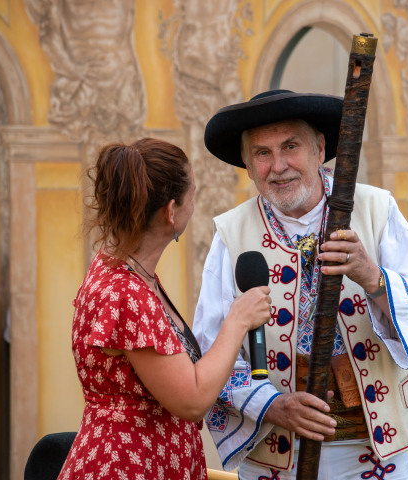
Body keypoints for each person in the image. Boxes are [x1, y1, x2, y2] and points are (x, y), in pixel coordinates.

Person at [192, 90, 408, 479]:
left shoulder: (373, 210)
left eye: (290, 146)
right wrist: (271, 405)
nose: (279, 166)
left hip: (372, 452)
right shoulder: (231, 234)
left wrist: (374, 279)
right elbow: (210, 348)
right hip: (276, 454)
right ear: (249, 166)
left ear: (320, 149)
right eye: (262, 153)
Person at [57, 138, 272, 479]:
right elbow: (192, 400)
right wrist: (238, 319)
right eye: (193, 195)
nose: (194, 204)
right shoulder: (127, 293)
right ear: (171, 211)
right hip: (128, 466)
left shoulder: (130, 274)